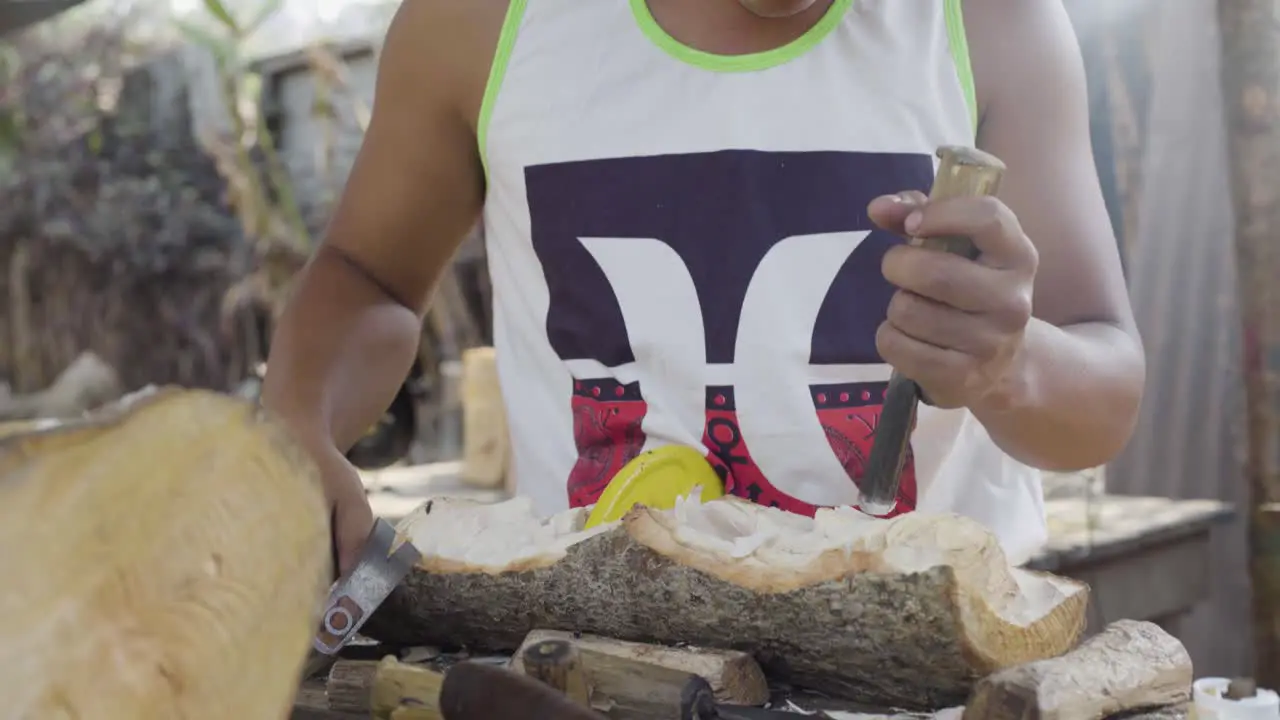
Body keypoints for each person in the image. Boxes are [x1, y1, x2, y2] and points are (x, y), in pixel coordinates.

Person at [261, 0, 1146, 576]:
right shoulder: (485, 22)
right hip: (592, 668)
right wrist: (300, 424)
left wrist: (1010, 365)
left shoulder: (992, 22)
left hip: (928, 681)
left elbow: (1102, 394)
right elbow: (367, 274)